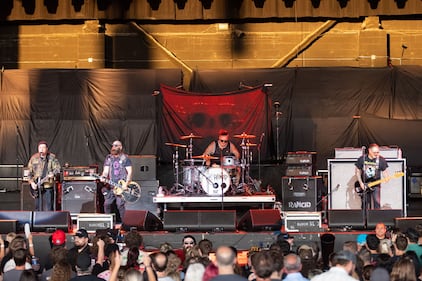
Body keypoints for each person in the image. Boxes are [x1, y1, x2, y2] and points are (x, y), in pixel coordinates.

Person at [101, 140, 133, 222]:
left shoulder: (124, 158)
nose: (113, 147)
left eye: (116, 145)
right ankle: (107, 223)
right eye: (113, 145)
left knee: (120, 205)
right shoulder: (109, 158)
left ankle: (125, 224)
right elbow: (105, 171)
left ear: (120, 147)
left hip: (121, 186)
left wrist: (126, 183)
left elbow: (130, 172)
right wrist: (103, 176)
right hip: (111, 186)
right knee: (107, 204)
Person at [27, 141, 61, 211]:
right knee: (37, 207)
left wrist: (53, 174)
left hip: (47, 185)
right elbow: (29, 173)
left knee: (49, 206)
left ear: (47, 149)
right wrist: (32, 183)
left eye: (43, 147)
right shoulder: (34, 158)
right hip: (37, 186)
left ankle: (49, 220)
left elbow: (58, 169)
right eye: (40, 147)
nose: (41, 149)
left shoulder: (52, 158)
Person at [355, 143, 389, 209]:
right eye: (374, 152)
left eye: (378, 152)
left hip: (376, 184)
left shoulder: (381, 160)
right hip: (364, 184)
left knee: (377, 202)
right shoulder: (362, 159)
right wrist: (361, 183)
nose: (376, 154)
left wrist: (387, 178)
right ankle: (364, 218)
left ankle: (377, 218)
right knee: (365, 203)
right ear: (369, 151)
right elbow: (357, 172)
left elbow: (385, 171)